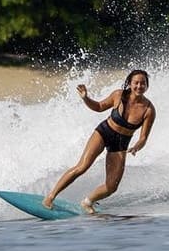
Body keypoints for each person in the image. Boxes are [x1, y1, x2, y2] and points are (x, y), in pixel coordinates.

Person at [43, 69, 156, 213]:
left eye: (143, 83)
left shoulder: (149, 110)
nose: (139, 86)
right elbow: (99, 107)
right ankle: (50, 197)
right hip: (104, 132)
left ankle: (87, 202)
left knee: (112, 186)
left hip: (121, 144)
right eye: (136, 83)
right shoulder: (118, 95)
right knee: (82, 167)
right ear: (130, 83)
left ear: (147, 85)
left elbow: (143, 138)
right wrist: (86, 98)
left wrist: (136, 147)